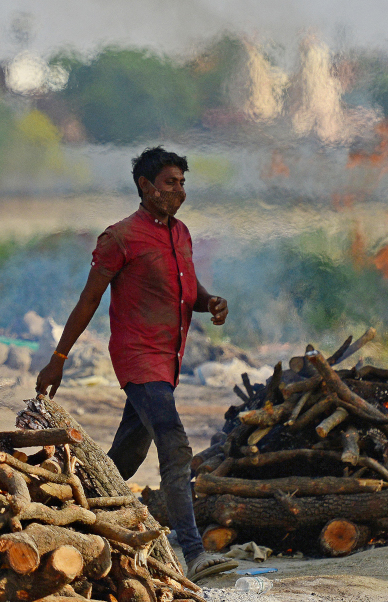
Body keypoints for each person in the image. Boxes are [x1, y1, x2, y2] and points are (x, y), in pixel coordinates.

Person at [36, 147, 237, 582]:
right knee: (175, 443)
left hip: (168, 362)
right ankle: (195, 552)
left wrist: (211, 302)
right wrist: (58, 358)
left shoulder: (181, 233)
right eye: (169, 182)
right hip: (137, 357)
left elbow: (189, 289)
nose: (179, 191)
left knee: (121, 462)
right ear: (145, 186)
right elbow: (89, 299)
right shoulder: (120, 237)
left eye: (182, 183)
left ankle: (61, 517)